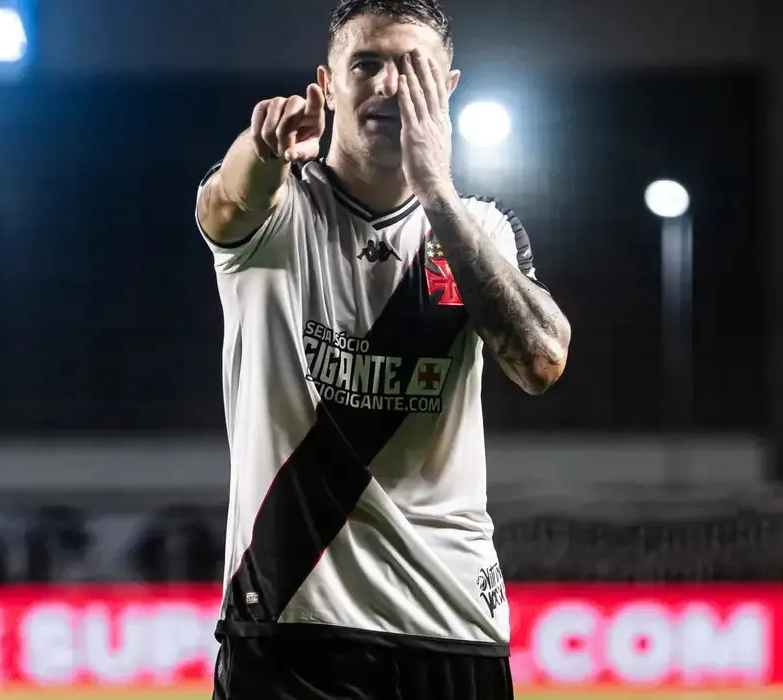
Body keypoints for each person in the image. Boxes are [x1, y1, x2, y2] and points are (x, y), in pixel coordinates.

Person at [195, 1, 571, 697]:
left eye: (414, 67)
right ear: (329, 83)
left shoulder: (482, 226)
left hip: (452, 624)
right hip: (293, 623)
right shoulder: (279, 212)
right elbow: (225, 202)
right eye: (366, 63)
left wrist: (437, 191)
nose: (390, 85)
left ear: (448, 88)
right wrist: (263, 146)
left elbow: (541, 361)